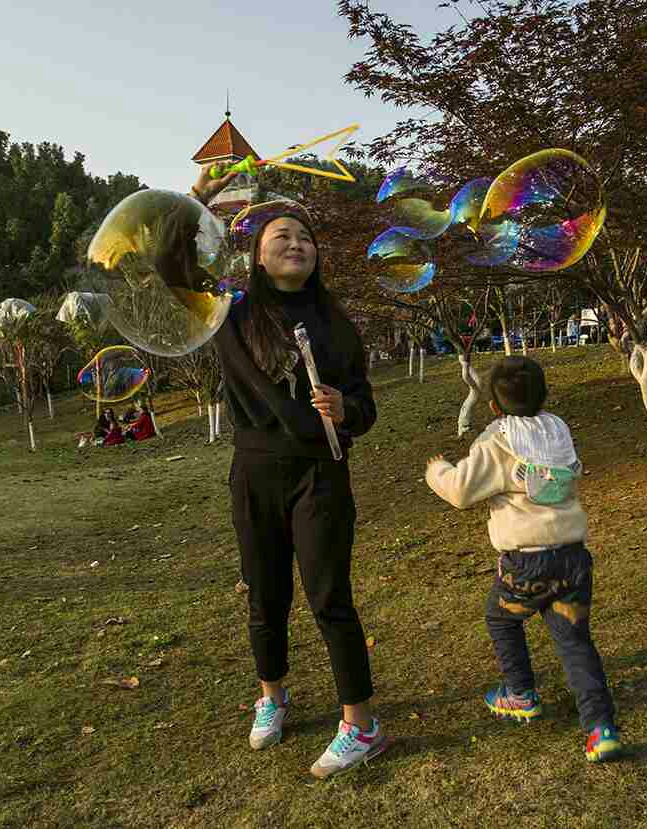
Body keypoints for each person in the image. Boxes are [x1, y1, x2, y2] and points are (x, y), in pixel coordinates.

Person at [189, 167, 386, 778]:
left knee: (330, 597)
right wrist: (196, 205)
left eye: (304, 236)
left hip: (321, 474)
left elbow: (366, 405)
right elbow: (179, 268)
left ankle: (360, 724)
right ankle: (271, 696)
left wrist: (344, 408)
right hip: (255, 472)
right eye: (281, 236)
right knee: (264, 595)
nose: (296, 243)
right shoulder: (231, 313)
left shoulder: (337, 323)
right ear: (257, 255)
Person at [424, 356, 623, 762]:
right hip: (572, 559)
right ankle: (600, 728)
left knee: (500, 617)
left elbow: (461, 491)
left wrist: (437, 470)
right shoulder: (558, 431)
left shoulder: (496, 440)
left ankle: (520, 693)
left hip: (526, 566)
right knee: (574, 642)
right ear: (544, 396)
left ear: (494, 406)